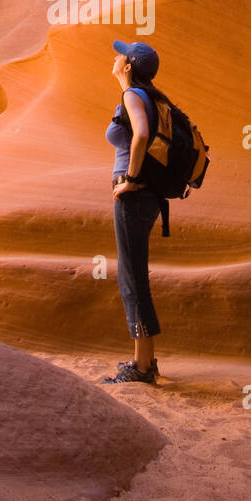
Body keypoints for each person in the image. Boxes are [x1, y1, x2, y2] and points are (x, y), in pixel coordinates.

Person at [102, 39, 167, 385]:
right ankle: (146, 360)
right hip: (150, 196)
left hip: (135, 196)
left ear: (128, 67)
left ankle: (142, 369)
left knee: (131, 277)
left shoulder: (132, 96)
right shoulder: (151, 97)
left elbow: (141, 135)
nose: (115, 57)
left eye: (120, 55)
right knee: (134, 273)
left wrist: (129, 179)